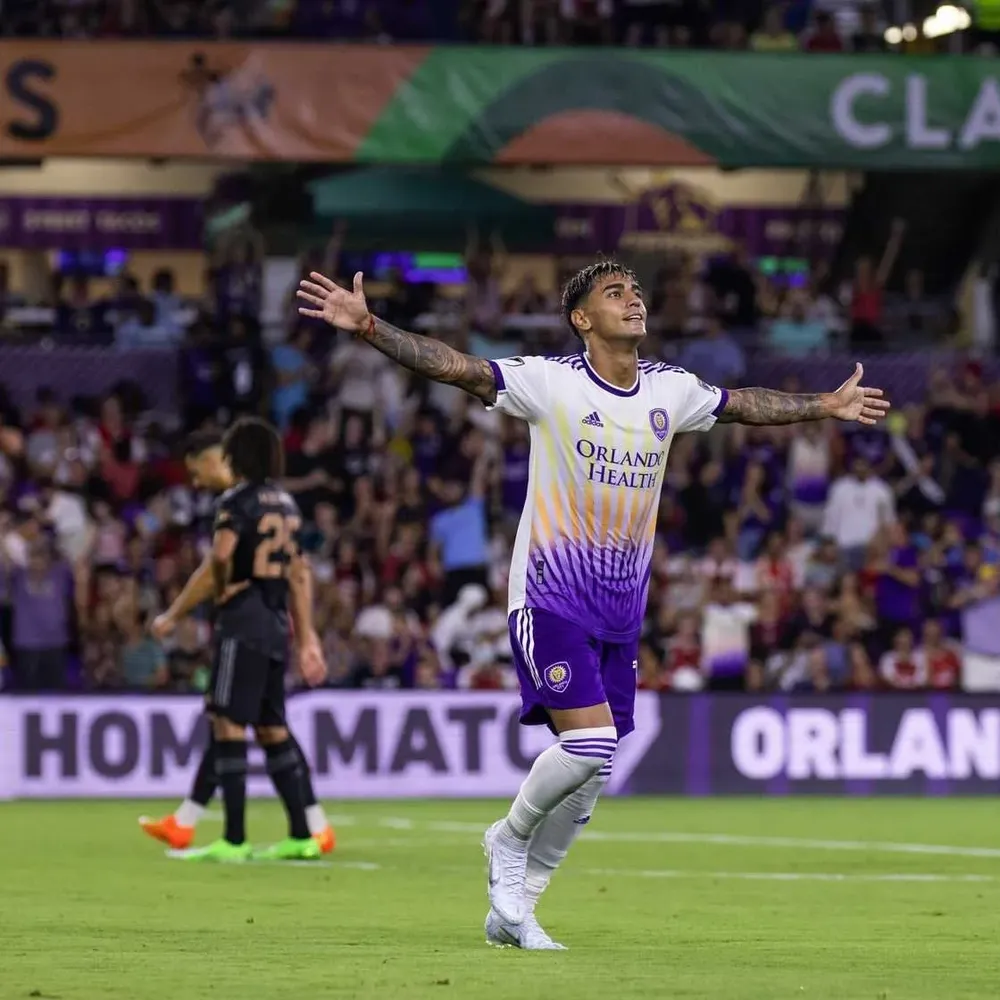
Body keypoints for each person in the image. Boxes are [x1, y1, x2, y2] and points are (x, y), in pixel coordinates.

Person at [296, 260, 891, 947]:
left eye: (636, 291)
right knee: (590, 743)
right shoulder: (551, 382)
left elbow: (743, 404)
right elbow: (458, 367)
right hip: (549, 595)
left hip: (620, 611)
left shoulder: (670, 388)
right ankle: (507, 836)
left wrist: (824, 405)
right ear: (581, 318)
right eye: (615, 293)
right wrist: (370, 326)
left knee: (595, 771)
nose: (634, 300)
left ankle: (517, 909)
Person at [141, 430, 335, 856]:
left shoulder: (235, 502)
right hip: (276, 622)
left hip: (242, 622)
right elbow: (299, 573)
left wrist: (178, 612)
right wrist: (307, 638)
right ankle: (303, 833)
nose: (197, 482)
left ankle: (234, 839)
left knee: (227, 722)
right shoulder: (285, 503)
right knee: (270, 727)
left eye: (198, 471)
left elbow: (220, 558)